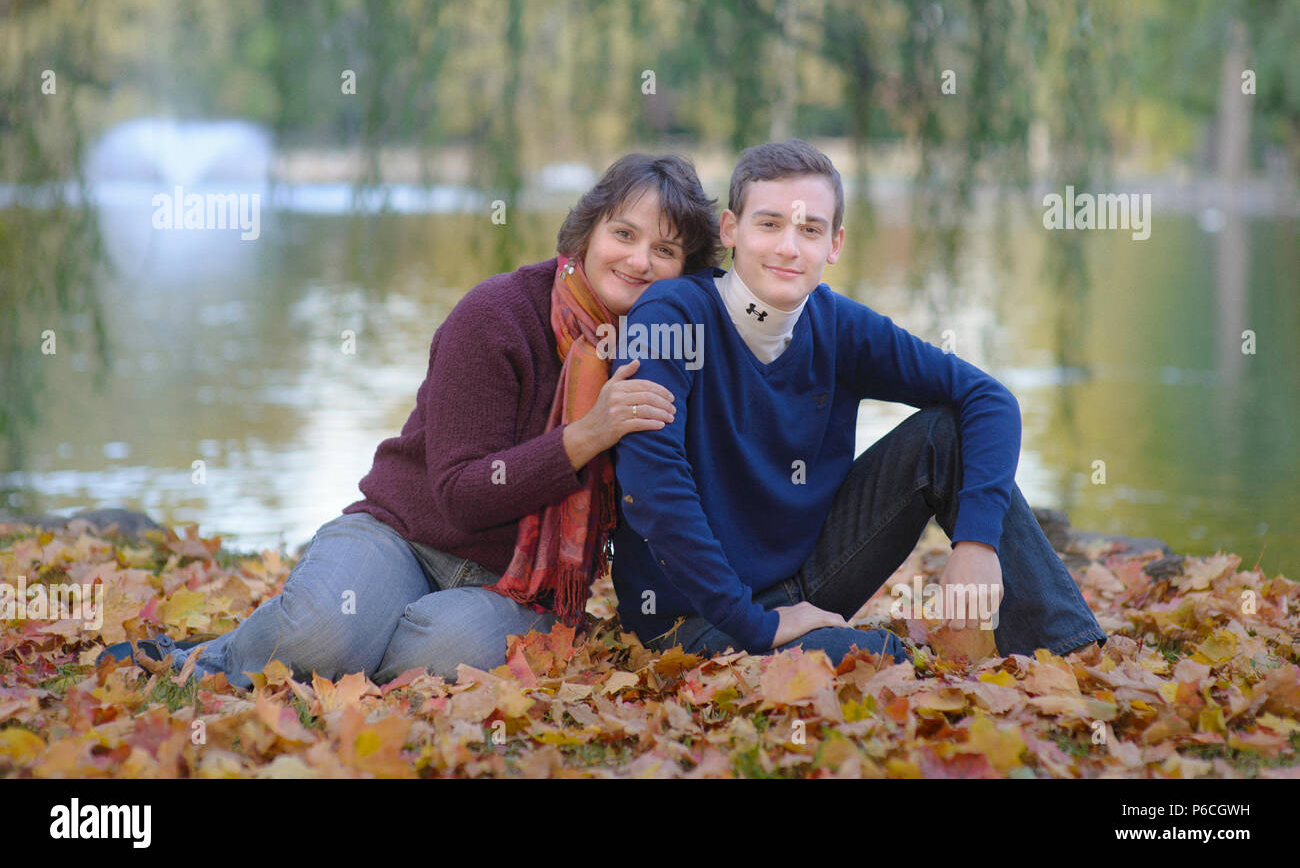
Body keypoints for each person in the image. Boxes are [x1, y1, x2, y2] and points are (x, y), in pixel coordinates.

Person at [99, 152, 723, 687]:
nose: (640, 261)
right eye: (624, 234)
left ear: (686, 272)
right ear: (586, 232)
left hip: (515, 586)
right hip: (403, 535)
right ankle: (214, 656)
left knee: (437, 659)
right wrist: (588, 436)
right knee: (325, 634)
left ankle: (342, 644)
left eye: (665, 250)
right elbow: (461, 497)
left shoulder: (667, 349)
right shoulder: (497, 316)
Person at [610, 139, 1107, 665]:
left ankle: (1074, 654)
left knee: (945, 433)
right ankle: (844, 652)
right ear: (731, 230)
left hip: (805, 583)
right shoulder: (670, 315)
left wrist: (977, 542)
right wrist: (755, 623)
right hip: (693, 619)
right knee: (888, 665)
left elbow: (989, 398)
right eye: (770, 224)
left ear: (835, 243)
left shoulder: (837, 324)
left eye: (809, 230)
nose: (788, 248)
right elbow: (654, 489)